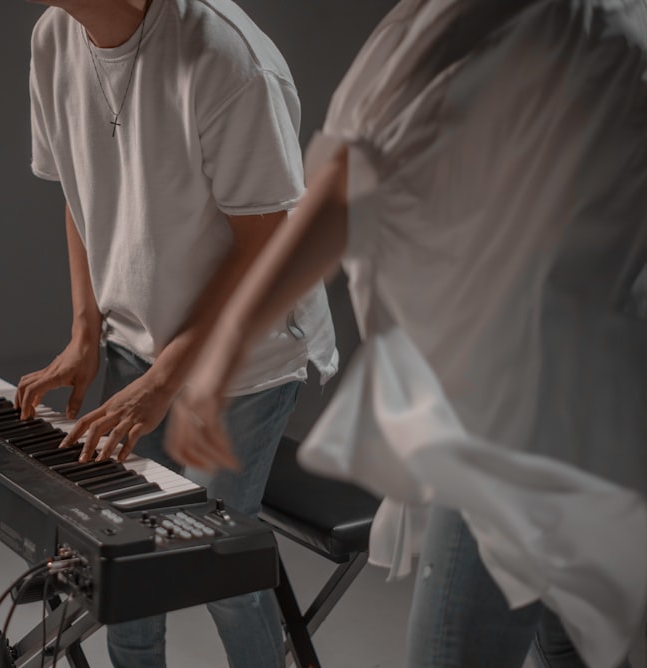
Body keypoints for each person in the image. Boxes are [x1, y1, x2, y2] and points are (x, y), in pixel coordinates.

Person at [163, 1, 647, 667]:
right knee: (557, 642)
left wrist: (225, 350)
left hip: (560, 419)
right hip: (568, 417)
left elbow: (347, 182)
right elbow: (352, 181)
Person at [14, 0, 339, 666]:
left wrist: (167, 379)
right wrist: (85, 331)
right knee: (126, 563)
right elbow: (80, 191)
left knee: (220, 574)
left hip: (243, 361)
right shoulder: (53, 38)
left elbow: (267, 242)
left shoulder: (225, 58)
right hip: (138, 341)